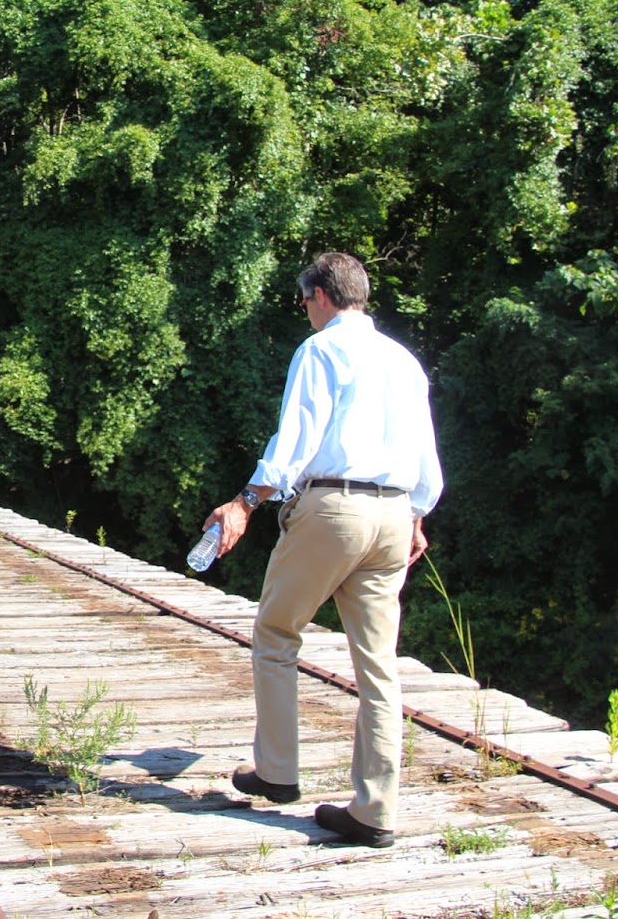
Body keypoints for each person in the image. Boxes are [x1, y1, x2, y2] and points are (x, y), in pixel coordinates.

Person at [202, 252, 442, 849]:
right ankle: (375, 809)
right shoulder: (405, 361)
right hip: (393, 513)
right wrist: (414, 513)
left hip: (334, 508)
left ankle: (278, 773)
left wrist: (244, 503)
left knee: (278, 633)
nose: (304, 308)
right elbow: (426, 455)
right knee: (378, 663)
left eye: (303, 297)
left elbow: (297, 440)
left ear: (321, 294)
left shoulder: (321, 351)